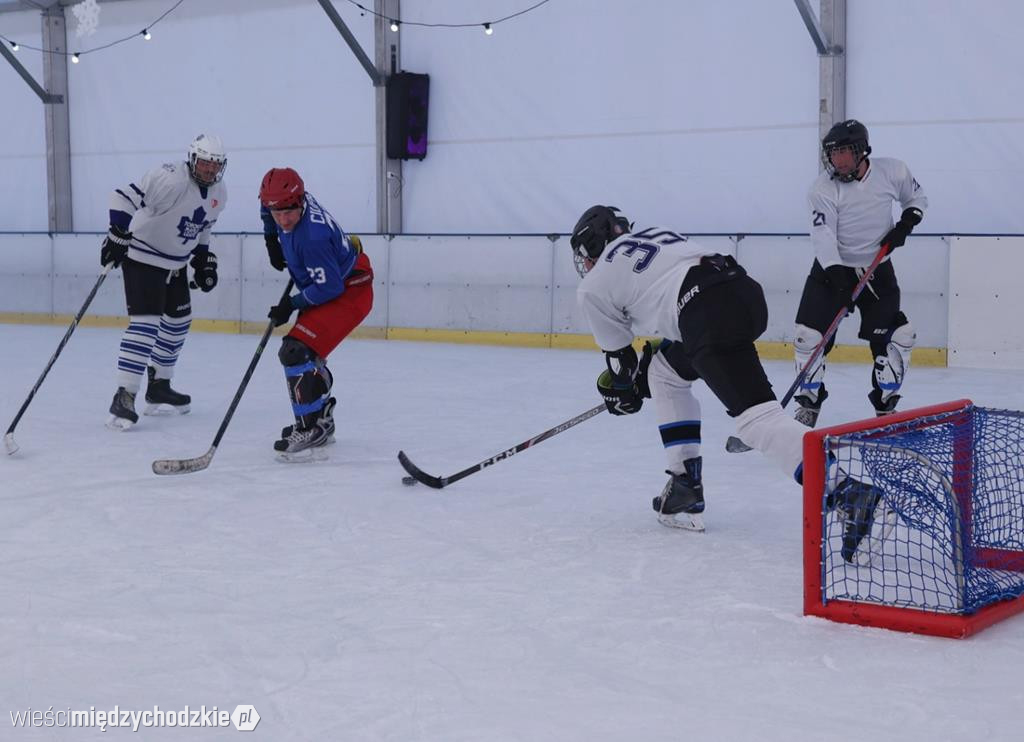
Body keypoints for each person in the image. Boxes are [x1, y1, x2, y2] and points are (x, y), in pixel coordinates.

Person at [571, 204, 883, 562]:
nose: (586, 265)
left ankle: (847, 492)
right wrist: (643, 374)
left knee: (756, 421)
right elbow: (667, 300)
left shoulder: (592, 287)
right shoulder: (653, 235)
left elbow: (621, 369)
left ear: (591, 245)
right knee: (663, 372)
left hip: (704, 310)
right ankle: (684, 485)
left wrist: (621, 393)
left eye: (584, 256)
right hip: (741, 291)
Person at [792, 119, 928, 428]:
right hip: (831, 271)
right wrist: (839, 278)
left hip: (877, 270)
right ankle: (808, 406)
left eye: (844, 152)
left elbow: (917, 198)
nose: (838, 160)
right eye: (833, 154)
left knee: (897, 339)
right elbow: (823, 237)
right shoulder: (822, 189)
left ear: (861, 151)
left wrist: (906, 224)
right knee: (808, 337)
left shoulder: (892, 171)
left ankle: (885, 408)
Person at [102, 133, 228, 429]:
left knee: (178, 322)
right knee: (146, 326)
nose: (210, 170)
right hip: (143, 259)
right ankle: (125, 394)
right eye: (206, 163)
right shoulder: (170, 179)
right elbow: (122, 197)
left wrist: (202, 259)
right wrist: (117, 232)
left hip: (176, 265)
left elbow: (204, 226)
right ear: (193, 158)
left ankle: (159, 384)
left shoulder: (219, 192)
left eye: (216, 165)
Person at [258, 167, 373, 460]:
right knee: (299, 351)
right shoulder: (287, 201)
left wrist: (291, 305)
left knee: (296, 350)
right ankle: (317, 409)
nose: (283, 220)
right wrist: (272, 239)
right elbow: (266, 205)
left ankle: (314, 427)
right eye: (277, 214)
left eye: (288, 213)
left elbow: (330, 288)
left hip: (350, 290)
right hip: (336, 281)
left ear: (299, 202)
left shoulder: (312, 238)